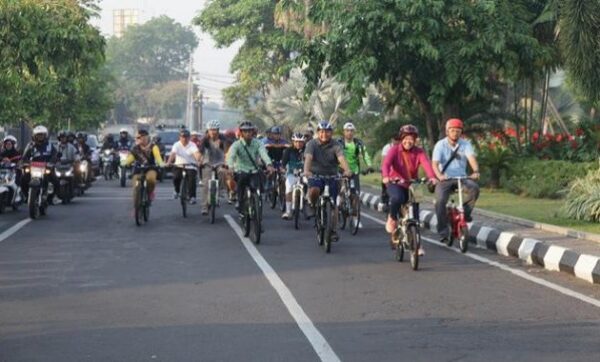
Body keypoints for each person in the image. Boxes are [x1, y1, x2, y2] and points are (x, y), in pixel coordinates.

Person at [381, 125, 437, 254]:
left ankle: (417, 244)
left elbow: (427, 165)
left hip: (413, 183)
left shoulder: (419, 152)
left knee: (416, 211)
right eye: (405, 138)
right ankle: (392, 217)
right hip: (396, 182)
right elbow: (386, 164)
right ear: (401, 139)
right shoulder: (394, 150)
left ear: (415, 139)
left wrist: (432, 177)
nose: (408, 141)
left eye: (411, 139)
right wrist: (385, 177)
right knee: (397, 198)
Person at [432, 118, 480, 243]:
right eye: (452, 130)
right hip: (445, 179)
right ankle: (443, 231)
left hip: (462, 178)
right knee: (440, 202)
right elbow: (434, 164)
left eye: (458, 131)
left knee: (474, 189)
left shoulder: (465, 144)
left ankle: (466, 213)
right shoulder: (440, 145)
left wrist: (475, 171)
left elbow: (471, 159)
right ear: (447, 131)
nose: (455, 133)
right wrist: (439, 176)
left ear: (461, 132)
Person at [304, 121, 352, 241]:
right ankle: (313, 205)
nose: (324, 134)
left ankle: (333, 230)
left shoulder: (336, 145)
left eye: (327, 132)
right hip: (316, 175)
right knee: (314, 190)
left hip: (332, 176)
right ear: (318, 133)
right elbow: (308, 158)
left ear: (331, 133)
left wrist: (347, 170)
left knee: (333, 204)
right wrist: (306, 171)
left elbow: (341, 158)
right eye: (321, 132)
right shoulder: (311, 144)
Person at [226, 121, 274, 214]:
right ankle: (240, 202)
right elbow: (231, 156)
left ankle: (257, 203)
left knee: (257, 187)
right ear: (241, 133)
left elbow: (264, 154)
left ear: (253, 132)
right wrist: (231, 167)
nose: (248, 133)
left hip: (254, 170)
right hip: (241, 170)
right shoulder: (237, 144)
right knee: (241, 185)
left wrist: (269, 165)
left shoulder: (258, 143)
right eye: (245, 131)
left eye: (249, 131)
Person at [337, 122, 373, 228]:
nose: (349, 133)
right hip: (341, 170)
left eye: (351, 131)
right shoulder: (338, 143)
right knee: (341, 191)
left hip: (354, 171)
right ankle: (339, 203)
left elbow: (365, 154)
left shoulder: (358, 143)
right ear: (344, 132)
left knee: (355, 195)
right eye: (347, 131)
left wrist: (369, 165)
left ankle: (355, 218)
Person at [121, 129, 164, 205]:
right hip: (138, 169)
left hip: (151, 168)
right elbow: (131, 157)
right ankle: (137, 204)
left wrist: (160, 163)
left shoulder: (153, 147)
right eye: (140, 137)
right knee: (136, 184)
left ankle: (150, 193)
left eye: (144, 137)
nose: (142, 139)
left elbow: (158, 157)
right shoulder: (136, 148)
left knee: (151, 179)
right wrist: (125, 162)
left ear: (148, 137)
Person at [20, 125, 59, 203]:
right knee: (23, 179)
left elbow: (55, 155)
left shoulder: (50, 146)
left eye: (42, 135)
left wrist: (52, 162)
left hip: (46, 167)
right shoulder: (30, 145)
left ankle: (53, 196)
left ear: (45, 135)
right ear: (34, 136)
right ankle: (26, 195)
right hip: (33, 168)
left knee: (56, 180)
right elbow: (24, 156)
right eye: (38, 135)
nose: (40, 137)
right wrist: (25, 162)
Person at [199, 120, 228, 215]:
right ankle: (204, 207)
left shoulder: (223, 139)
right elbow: (201, 152)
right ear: (208, 130)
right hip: (208, 162)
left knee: (222, 172)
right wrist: (200, 161)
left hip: (220, 161)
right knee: (206, 185)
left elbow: (227, 151)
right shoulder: (205, 139)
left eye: (215, 130)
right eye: (211, 130)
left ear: (218, 130)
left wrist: (226, 162)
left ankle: (220, 191)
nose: (213, 132)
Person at [166, 129, 202, 204]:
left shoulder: (192, 145)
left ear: (189, 138)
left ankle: (192, 197)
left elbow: (196, 154)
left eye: (186, 137)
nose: (184, 139)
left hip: (191, 166)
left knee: (192, 181)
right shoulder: (176, 144)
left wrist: (198, 160)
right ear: (180, 137)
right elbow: (173, 154)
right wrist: (169, 162)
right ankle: (176, 191)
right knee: (176, 177)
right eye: (183, 137)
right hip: (179, 165)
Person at [280, 132, 306, 220]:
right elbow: (283, 164)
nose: (298, 144)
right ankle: (288, 211)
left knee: (310, 185)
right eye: (296, 142)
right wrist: (283, 169)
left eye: (301, 142)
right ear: (293, 142)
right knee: (289, 188)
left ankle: (308, 206)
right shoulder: (288, 151)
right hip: (291, 173)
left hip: (304, 173)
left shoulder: (307, 150)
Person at [379, 134, 401, 212]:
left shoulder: (404, 147)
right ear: (392, 140)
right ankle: (385, 201)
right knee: (385, 184)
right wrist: (384, 174)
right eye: (396, 140)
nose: (397, 142)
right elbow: (384, 163)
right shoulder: (387, 148)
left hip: (402, 173)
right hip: (389, 172)